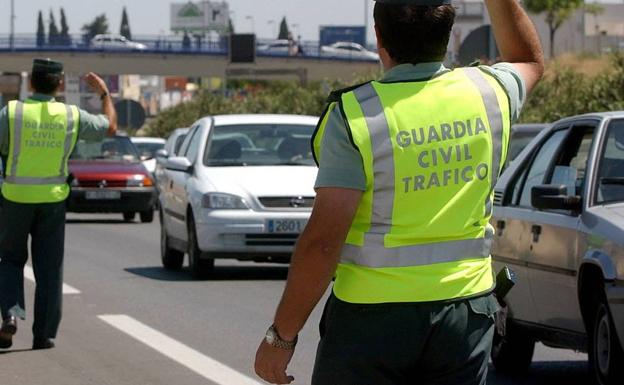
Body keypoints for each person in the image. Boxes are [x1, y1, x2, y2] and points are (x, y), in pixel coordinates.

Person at [254, 0, 544, 384]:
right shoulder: (490, 93)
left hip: (371, 321)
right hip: (464, 314)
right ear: (450, 36)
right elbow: (529, 58)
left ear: (379, 38)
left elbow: (324, 242)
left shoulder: (354, 116)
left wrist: (282, 336)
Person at [0, 59, 117, 350]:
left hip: (14, 198)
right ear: (60, 85)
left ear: (30, 83)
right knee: (49, 270)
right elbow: (111, 127)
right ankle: (44, 335)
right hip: (52, 200)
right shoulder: (71, 116)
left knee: (11, 261)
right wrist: (104, 93)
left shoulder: (12, 113)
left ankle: (10, 316)